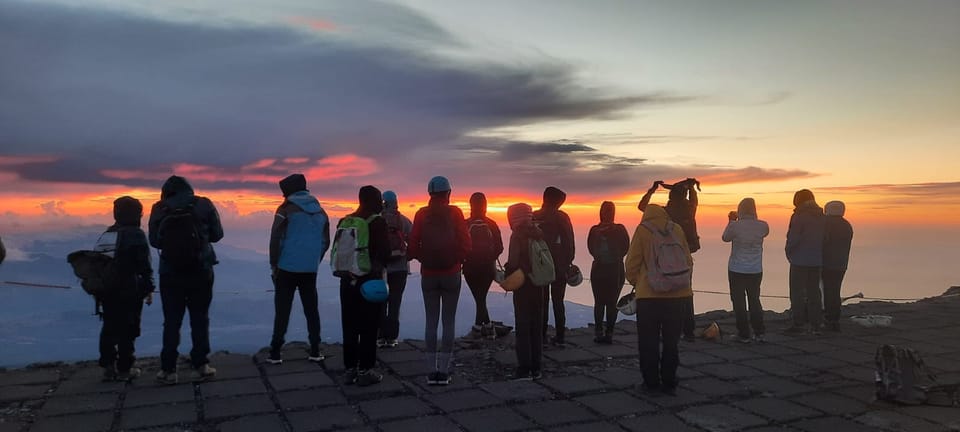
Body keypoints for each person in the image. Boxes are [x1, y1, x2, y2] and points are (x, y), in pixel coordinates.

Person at [149, 175, 224, 384]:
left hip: (170, 273)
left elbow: (154, 241)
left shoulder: (159, 208)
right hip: (201, 270)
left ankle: (168, 370)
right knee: (200, 318)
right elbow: (218, 235)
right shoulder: (203, 204)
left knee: (172, 320)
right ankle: (201, 365)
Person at [408, 176, 471, 385]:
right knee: (448, 321)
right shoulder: (455, 213)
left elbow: (413, 245)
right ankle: (443, 372)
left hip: (429, 275)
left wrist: (424, 258)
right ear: (448, 193)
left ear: (430, 194)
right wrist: (457, 260)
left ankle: (430, 370)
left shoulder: (421, 214)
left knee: (431, 321)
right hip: (452, 273)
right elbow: (466, 242)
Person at [625, 204, 693, 395]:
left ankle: (651, 382)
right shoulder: (676, 229)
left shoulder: (643, 230)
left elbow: (632, 263)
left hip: (649, 296)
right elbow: (687, 259)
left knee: (648, 341)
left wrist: (638, 283)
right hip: (678, 294)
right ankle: (670, 380)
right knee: (672, 341)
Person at [267, 174, 330, 364]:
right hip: (310, 269)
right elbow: (325, 241)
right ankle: (315, 350)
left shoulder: (285, 209)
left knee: (282, 310)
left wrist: (274, 264)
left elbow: (275, 239)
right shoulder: (321, 211)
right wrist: (313, 260)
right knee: (311, 309)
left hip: (286, 268)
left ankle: (276, 352)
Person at [335, 186, 390, 386]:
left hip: (346, 280)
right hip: (369, 281)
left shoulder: (345, 221)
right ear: (372, 201)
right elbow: (385, 253)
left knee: (349, 325)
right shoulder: (378, 223)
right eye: (379, 200)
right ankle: (365, 370)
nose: (381, 204)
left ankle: (349, 370)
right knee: (369, 326)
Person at [95, 196, 155, 381]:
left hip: (106, 289)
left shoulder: (107, 234)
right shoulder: (136, 234)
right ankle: (125, 368)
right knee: (128, 329)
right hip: (129, 289)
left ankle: (108, 366)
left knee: (109, 326)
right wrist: (149, 287)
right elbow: (144, 264)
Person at [638, 178, 699, 341]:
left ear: (671, 196)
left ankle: (671, 328)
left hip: (664, 257)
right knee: (686, 291)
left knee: (668, 292)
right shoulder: (689, 209)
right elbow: (694, 199)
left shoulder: (665, 212)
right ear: (685, 195)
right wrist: (691, 187)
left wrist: (652, 190)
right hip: (685, 257)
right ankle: (689, 331)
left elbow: (642, 207)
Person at [503, 203, 545, 380]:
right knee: (536, 324)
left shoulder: (517, 236)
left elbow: (513, 261)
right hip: (539, 283)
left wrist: (506, 272)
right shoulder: (538, 232)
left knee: (523, 325)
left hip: (523, 284)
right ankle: (537, 366)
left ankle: (524, 367)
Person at [721, 198, 769, 343]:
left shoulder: (735, 226)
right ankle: (759, 332)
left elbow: (725, 238)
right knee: (754, 300)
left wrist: (731, 220)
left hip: (736, 268)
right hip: (755, 269)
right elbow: (764, 233)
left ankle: (743, 333)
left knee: (739, 301)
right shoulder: (763, 226)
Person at [533, 186, 575, 346]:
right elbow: (569, 242)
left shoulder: (535, 216)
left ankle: (541, 335)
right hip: (559, 265)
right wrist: (568, 261)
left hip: (540, 265)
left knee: (541, 301)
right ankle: (560, 336)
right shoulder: (562, 217)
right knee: (558, 301)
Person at [586, 201, 630, 344]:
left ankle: (599, 333)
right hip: (615, 269)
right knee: (612, 303)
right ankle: (609, 334)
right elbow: (626, 247)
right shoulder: (620, 229)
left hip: (599, 269)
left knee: (599, 302)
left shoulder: (594, 230)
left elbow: (590, 248)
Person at [784, 189, 826, 335]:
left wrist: (789, 252)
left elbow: (793, 238)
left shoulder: (799, 216)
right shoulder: (822, 216)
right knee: (814, 292)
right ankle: (816, 324)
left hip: (799, 261)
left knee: (797, 293)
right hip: (816, 260)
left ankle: (798, 324)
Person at [463, 192, 504, 336]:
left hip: (470, 269)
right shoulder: (491, 224)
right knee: (481, 297)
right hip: (488, 269)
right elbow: (500, 247)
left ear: (471, 205)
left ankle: (481, 327)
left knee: (479, 298)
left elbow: (460, 246)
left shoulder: (465, 223)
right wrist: (490, 258)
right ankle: (484, 326)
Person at [379, 190, 413, 348]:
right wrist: (407, 256)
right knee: (395, 301)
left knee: (380, 302)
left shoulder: (376, 221)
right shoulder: (404, 221)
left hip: (381, 268)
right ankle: (392, 338)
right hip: (400, 268)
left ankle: (380, 336)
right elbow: (413, 241)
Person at [822, 200, 853, 332]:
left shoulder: (825, 224)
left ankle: (828, 319)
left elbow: (823, 241)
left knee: (826, 291)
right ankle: (834, 318)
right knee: (835, 290)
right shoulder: (847, 225)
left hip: (826, 263)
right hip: (841, 264)